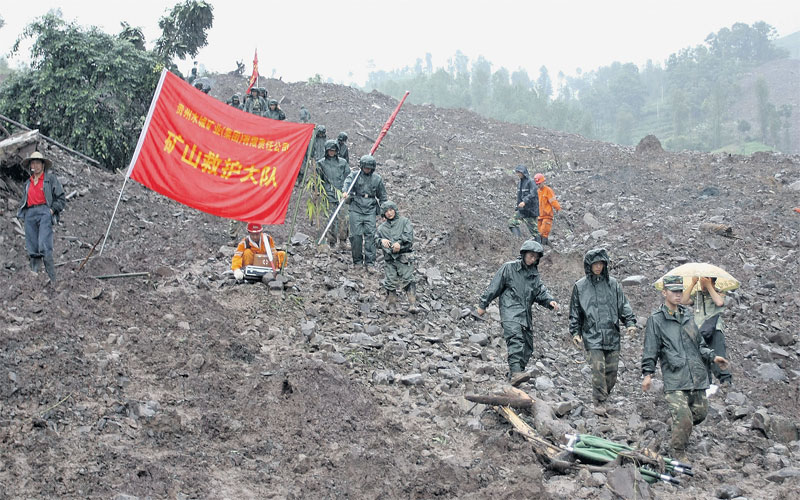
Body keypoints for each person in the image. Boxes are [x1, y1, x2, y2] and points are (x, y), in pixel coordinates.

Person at [641, 275, 731, 460]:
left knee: (700, 413)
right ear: (664, 293)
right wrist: (648, 374)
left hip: (695, 376)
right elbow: (651, 349)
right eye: (673, 291)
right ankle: (677, 453)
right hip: (675, 377)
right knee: (683, 417)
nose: (678, 295)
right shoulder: (656, 320)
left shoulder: (688, 316)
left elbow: (699, 344)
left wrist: (714, 357)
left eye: (680, 291)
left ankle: (677, 427)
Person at [476, 240, 559, 386]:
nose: (532, 259)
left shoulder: (534, 275)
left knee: (528, 346)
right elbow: (494, 287)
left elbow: (540, 291)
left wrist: (549, 301)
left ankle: (514, 376)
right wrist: (483, 304)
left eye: (535, 257)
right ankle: (515, 372)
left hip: (525, 314)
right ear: (524, 254)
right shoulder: (509, 268)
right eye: (530, 255)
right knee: (515, 339)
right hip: (510, 310)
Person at [569, 248, 637, 416]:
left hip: (612, 334)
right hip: (592, 335)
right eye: (595, 264)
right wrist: (575, 332)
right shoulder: (580, 286)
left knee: (612, 373)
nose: (598, 267)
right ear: (588, 265)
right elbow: (575, 312)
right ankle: (598, 401)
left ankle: (604, 397)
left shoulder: (613, 284)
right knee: (598, 369)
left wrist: (630, 323)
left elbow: (623, 305)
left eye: (601, 264)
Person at [16, 151, 66, 282]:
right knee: (32, 246)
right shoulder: (28, 183)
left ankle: (53, 279)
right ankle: (34, 280)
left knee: (44, 245)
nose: (35, 165)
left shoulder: (50, 180)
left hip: (45, 212)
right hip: (30, 214)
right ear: (30, 165)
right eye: (33, 163)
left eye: (38, 162)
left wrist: (52, 210)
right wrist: (24, 213)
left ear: (43, 165)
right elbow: (24, 200)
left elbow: (61, 198)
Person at [681, 277, 732, 387]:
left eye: (705, 281)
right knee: (701, 356)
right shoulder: (698, 295)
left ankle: (726, 381)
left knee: (718, 353)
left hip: (714, 328)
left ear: (712, 282)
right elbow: (684, 300)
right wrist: (693, 283)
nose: (702, 284)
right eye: (701, 282)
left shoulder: (719, 293)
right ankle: (705, 383)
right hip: (699, 330)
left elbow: (719, 302)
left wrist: (709, 286)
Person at [343, 155, 387, 270]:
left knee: (370, 236)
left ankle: (370, 263)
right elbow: (347, 183)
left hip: (370, 209)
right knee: (356, 236)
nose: (367, 170)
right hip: (356, 207)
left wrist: (384, 211)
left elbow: (382, 196)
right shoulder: (354, 175)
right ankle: (357, 261)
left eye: (369, 168)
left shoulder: (377, 179)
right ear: (361, 167)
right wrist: (345, 192)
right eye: (365, 167)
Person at [375, 201, 416, 312]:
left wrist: (400, 243)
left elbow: (408, 236)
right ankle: (391, 305)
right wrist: (381, 241)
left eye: (391, 210)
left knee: (408, 280)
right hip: (389, 259)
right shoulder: (381, 228)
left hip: (403, 257)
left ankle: (412, 304)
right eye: (386, 211)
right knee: (390, 282)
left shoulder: (404, 222)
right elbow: (375, 240)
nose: (389, 213)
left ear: (395, 210)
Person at [317, 140, 350, 248]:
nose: (332, 152)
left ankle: (343, 240)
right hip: (328, 194)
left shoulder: (343, 162)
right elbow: (318, 180)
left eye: (334, 150)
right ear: (326, 151)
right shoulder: (321, 163)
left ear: (337, 151)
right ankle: (332, 241)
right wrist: (318, 192)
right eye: (330, 150)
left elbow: (348, 177)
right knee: (331, 219)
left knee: (344, 218)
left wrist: (347, 190)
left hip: (342, 193)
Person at [508, 165, 539, 239]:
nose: (518, 174)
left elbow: (533, 194)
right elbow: (519, 196)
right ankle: (518, 240)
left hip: (530, 211)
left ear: (523, 172)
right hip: (522, 211)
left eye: (519, 172)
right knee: (512, 223)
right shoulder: (520, 183)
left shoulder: (531, 182)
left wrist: (524, 202)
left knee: (535, 232)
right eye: (517, 172)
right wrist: (518, 206)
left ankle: (545, 246)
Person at [533, 173, 561, 245]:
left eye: (539, 184)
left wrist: (558, 208)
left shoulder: (548, 190)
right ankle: (549, 248)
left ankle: (543, 249)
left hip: (547, 216)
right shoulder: (538, 192)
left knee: (543, 233)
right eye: (537, 184)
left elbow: (553, 201)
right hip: (540, 216)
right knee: (538, 234)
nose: (538, 185)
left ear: (543, 182)